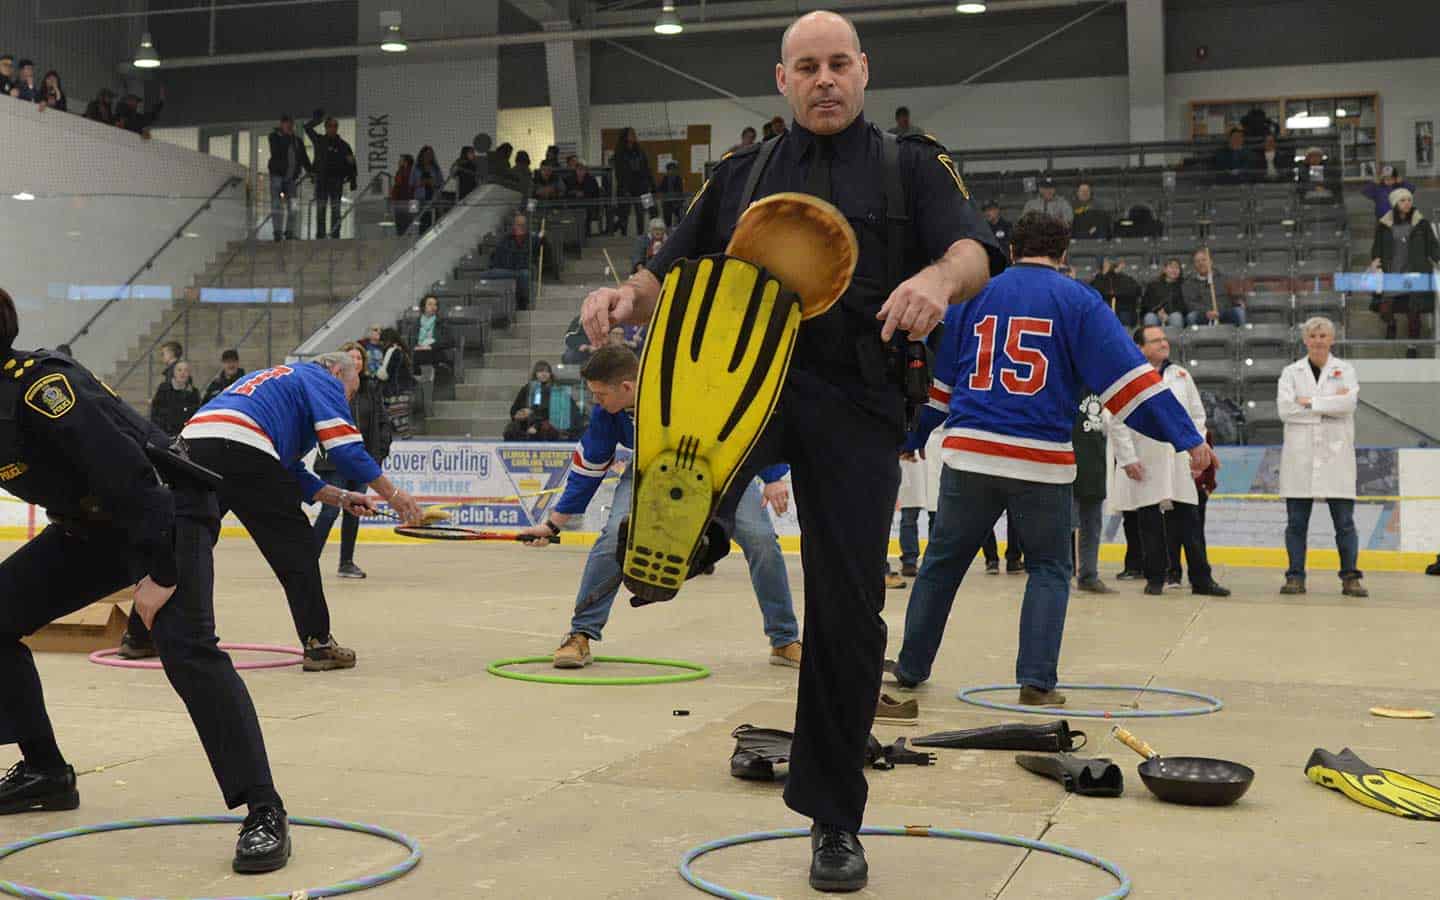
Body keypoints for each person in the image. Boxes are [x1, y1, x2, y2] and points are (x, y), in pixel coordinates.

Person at [578, 11, 1003, 891]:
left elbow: (973, 250)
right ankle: (679, 536)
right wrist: (625, 298)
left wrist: (936, 278)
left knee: (848, 613)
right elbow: (668, 266)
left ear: (864, 71)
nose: (824, 80)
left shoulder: (912, 166)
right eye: (806, 67)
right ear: (782, 80)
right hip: (747, 391)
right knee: (686, 464)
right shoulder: (741, 173)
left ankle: (834, 820)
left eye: (838, 64)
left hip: (858, 401)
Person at [0, 288, 291, 874]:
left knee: (187, 650)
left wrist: (161, 573)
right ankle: (46, 772)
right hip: (95, 525)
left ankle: (264, 809)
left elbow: (132, 479)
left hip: (166, 508)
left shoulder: (39, 390)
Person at [889, 212, 1215, 709]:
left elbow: (939, 387)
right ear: (1064, 255)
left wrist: (912, 436)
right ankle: (1036, 683)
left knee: (940, 565)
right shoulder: (1080, 301)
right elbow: (1131, 382)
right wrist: (1188, 438)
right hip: (1041, 462)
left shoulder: (974, 296)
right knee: (1048, 569)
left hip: (970, 454)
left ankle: (911, 669)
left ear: (1011, 250)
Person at [118, 353, 425, 669]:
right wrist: (394, 495)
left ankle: (139, 636)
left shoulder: (277, 383)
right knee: (296, 546)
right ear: (336, 372)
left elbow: (286, 469)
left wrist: (343, 497)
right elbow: (345, 450)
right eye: (350, 391)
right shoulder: (320, 378)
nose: (346, 401)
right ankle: (318, 643)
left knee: (180, 543)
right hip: (242, 445)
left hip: (194, 443)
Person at [517, 346, 803, 668]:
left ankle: (784, 640)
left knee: (762, 540)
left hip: (719, 470)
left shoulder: (688, 387)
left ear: (626, 387)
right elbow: (589, 468)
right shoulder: (608, 414)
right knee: (612, 538)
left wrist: (772, 476)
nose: (596, 401)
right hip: (648, 470)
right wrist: (552, 524)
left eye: (600, 394)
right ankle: (580, 635)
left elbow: (746, 420)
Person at [1107, 325, 1229, 597]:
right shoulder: (1129, 379)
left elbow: (1197, 416)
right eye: (1155, 341)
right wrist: (1127, 458)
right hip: (1146, 458)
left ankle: (1202, 580)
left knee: (1191, 524)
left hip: (1180, 459)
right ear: (1140, 348)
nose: (1164, 344)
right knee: (1149, 524)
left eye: (1164, 339)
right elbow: (1117, 422)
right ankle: (1155, 579)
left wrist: (1197, 451)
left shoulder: (1181, 376)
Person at [1277, 317, 1366, 597]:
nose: (1318, 341)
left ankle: (1350, 578)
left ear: (1332, 339)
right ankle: (1295, 576)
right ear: (1305, 340)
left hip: (1336, 457)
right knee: (1296, 524)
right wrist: (1329, 408)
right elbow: (1285, 411)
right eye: (1313, 336)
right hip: (1300, 459)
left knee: (1345, 524)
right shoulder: (1291, 372)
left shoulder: (1346, 370)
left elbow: (1348, 404)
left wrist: (1310, 403)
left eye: (1323, 335)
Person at [313, 343, 392, 580]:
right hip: (334, 461)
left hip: (361, 461)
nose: (356, 361)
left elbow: (382, 423)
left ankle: (346, 562)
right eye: (351, 357)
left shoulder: (371, 389)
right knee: (329, 510)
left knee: (355, 511)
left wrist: (378, 455)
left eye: (359, 358)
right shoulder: (330, 388)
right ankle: (308, 558)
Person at [1368, 188, 1439, 347]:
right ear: (1395, 203)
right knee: (1384, 308)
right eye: (1402, 200)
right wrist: (1375, 261)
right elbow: (1377, 247)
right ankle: (1391, 323)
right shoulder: (1384, 224)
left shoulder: (1421, 223)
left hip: (1415, 272)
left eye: (1409, 200)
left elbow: (1433, 246)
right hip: (1392, 272)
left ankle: (1412, 345)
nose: (1407, 203)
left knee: (1414, 312)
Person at [1072, 393, 1113, 593]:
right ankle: (1060, 576)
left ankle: (1088, 576)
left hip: (1096, 468)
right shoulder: (1067, 387)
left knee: (1092, 526)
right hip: (1067, 468)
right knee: (1064, 527)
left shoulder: (1104, 390)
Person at [303, 112, 358, 240]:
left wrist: (353, 179)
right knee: (321, 209)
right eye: (330, 126)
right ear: (326, 127)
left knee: (335, 210)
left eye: (335, 126)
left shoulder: (343, 145)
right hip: (322, 179)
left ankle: (335, 235)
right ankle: (321, 235)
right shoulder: (320, 141)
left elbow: (351, 162)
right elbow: (307, 128)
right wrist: (317, 120)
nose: (333, 128)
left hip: (336, 180)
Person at [267, 116, 311, 241]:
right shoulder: (274, 137)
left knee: (294, 206)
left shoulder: (297, 141)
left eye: (290, 125)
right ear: (281, 125)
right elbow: (276, 151)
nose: (289, 127)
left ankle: (290, 231)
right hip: (277, 177)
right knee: (276, 204)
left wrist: (311, 171)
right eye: (286, 125)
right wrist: (287, 136)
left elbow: (304, 158)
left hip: (291, 179)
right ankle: (277, 232)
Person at [510, 360, 578, 436]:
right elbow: (514, 409)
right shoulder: (527, 388)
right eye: (540, 371)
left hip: (548, 425)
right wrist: (519, 414)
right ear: (535, 373)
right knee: (511, 430)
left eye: (547, 371)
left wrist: (535, 421)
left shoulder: (557, 389)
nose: (544, 374)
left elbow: (555, 411)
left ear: (550, 374)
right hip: (527, 423)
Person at [1181, 247, 1246, 327]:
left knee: (1239, 312)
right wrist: (1207, 311)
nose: (1201, 263)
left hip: (1223, 312)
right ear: (1194, 264)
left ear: (1211, 262)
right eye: (1197, 261)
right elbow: (1190, 303)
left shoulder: (1224, 278)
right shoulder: (1189, 283)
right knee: (1191, 317)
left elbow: (1236, 297)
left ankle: (1242, 334)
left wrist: (1238, 301)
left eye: (1204, 260)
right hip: (1203, 315)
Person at [608, 128, 653, 237]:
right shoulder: (619, 152)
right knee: (624, 213)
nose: (633, 136)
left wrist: (650, 185)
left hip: (641, 187)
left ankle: (641, 235)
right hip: (626, 187)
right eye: (630, 134)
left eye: (634, 134)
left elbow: (646, 168)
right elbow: (619, 173)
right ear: (625, 136)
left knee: (641, 211)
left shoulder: (640, 151)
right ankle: (623, 235)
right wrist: (624, 189)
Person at [149, 359, 200, 437]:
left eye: (186, 370)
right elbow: (155, 411)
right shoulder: (164, 389)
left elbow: (195, 415)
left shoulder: (194, 393)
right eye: (179, 370)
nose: (182, 373)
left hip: (185, 434)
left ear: (189, 374)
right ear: (174, 373)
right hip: (166, 433)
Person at [1090, 257, 1143, 327]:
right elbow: (1094, 292)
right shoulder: (1100, 279)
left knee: (1123, 317)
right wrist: (1103, 274)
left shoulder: (1127, 279)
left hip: (1124, 309)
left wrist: (1116, 294)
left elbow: (1137, 291)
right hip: (1105, 309)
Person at [1142, 258, 1186, 328]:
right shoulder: (1153, 285)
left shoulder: (1184, 285)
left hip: (1174, 314)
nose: (1174, 270)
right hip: (1156, 314)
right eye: (1171, 267)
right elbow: (1146, 303)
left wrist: (1169, 313)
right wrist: (1158, 311)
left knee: (1176, 317)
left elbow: (1184, 305)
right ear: (1164, 270)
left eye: (1177, 268)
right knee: (1149, 317)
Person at [411, 145, 444, 233]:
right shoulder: (416, 168)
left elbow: (441, 182)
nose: (428, 156)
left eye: (430, 154)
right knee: (420, 220)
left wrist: (434, 183)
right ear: (422, 155)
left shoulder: (435, 168)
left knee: (432, 220)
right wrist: (420, 183)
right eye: (426, 154)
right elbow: (411, 183)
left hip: (432, 196)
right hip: (419, 197)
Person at [390, 154, 416, 236]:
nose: (399, 162)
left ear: (406, 162)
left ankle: (406, 237)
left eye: (401, 160)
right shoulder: (400, 171)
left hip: (409, 200)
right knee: (401, 222)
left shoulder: (411, 172)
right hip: (400, 199)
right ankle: (402, 237)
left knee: (407, 222)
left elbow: (401, 184)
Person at [657, 161, 686, 226]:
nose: (672, 171)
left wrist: (680, 203)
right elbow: (660, 189)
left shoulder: (678, 179)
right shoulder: (664, 179)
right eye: (670, 169)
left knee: (679, 221)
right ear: (667, 170)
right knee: (667, 221)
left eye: (673, 169)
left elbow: (681, 191)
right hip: (667, 203)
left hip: (677, 203)